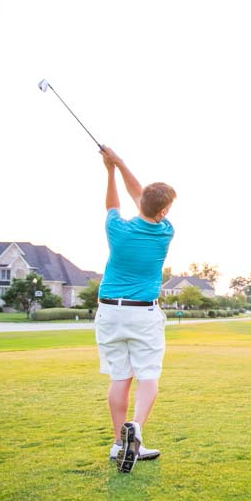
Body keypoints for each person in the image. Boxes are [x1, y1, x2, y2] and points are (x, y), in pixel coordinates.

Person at [96, 146, 176, 474]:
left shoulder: (118, 229)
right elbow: (139, 196)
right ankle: (136, 434)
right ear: (164, 211)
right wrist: (119, 163)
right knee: (148, 376)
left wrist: (111, 168)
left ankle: (119, 444)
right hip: (143, 313)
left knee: (120, 377)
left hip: (109, 311)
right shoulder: (164, 232)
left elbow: (117, 201)